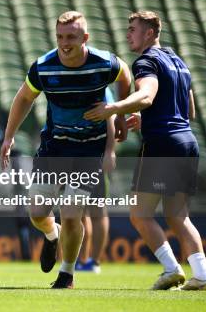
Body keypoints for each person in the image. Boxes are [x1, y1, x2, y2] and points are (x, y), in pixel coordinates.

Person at [83, 11, 206, 291]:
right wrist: (147, 118)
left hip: (162, 144)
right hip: (186, 141)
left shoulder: (146, 61)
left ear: (150, 33)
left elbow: (147, 95)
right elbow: (188, 111)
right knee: (178, 216)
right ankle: (203, 276)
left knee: (140, 214)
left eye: (133, 29)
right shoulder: (178, 61)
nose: (128, 34)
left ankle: (171, 269)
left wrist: (114, 108)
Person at [0, 11, 131, 289]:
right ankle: (52, 234)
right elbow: (24, 97)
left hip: (89, 151)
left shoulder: (103, 62)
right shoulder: (43, 66)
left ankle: (67, 273)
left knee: (72, 212)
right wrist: (8, 137)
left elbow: (125, 75)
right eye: (60, 37)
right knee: (37, 213)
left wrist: (119, 113)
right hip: (54, 147)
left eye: (71, 37)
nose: (64, 42)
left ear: (85, 38)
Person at [76, 88, 116, 274]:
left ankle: (95, 261)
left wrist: (109, 151)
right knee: (79, 210)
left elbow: (109, 116)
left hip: (96, 154)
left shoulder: (100, 85)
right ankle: (81, 259)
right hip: (74, 155)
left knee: (97, 209)